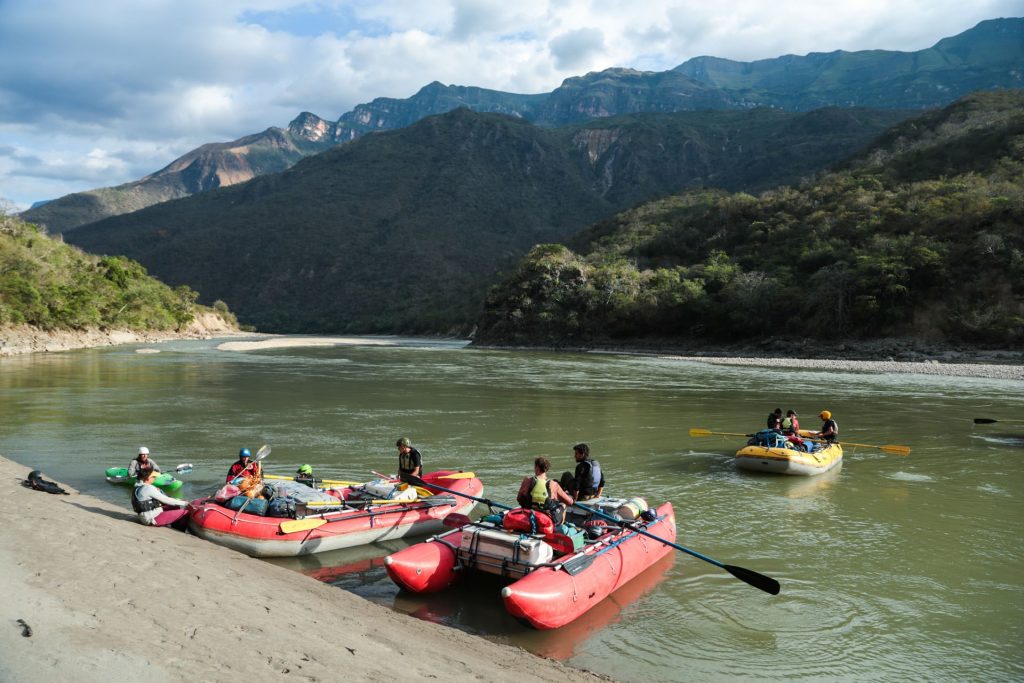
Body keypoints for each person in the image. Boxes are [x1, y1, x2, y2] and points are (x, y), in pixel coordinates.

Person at [517, 456, 574, 525]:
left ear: (537, 468)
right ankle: (559, 527)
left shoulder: (527, 480)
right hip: (546, 518)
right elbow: (570, 502)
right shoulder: (554, 485)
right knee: (563, 504)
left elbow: (519, 498)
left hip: (528, 513)